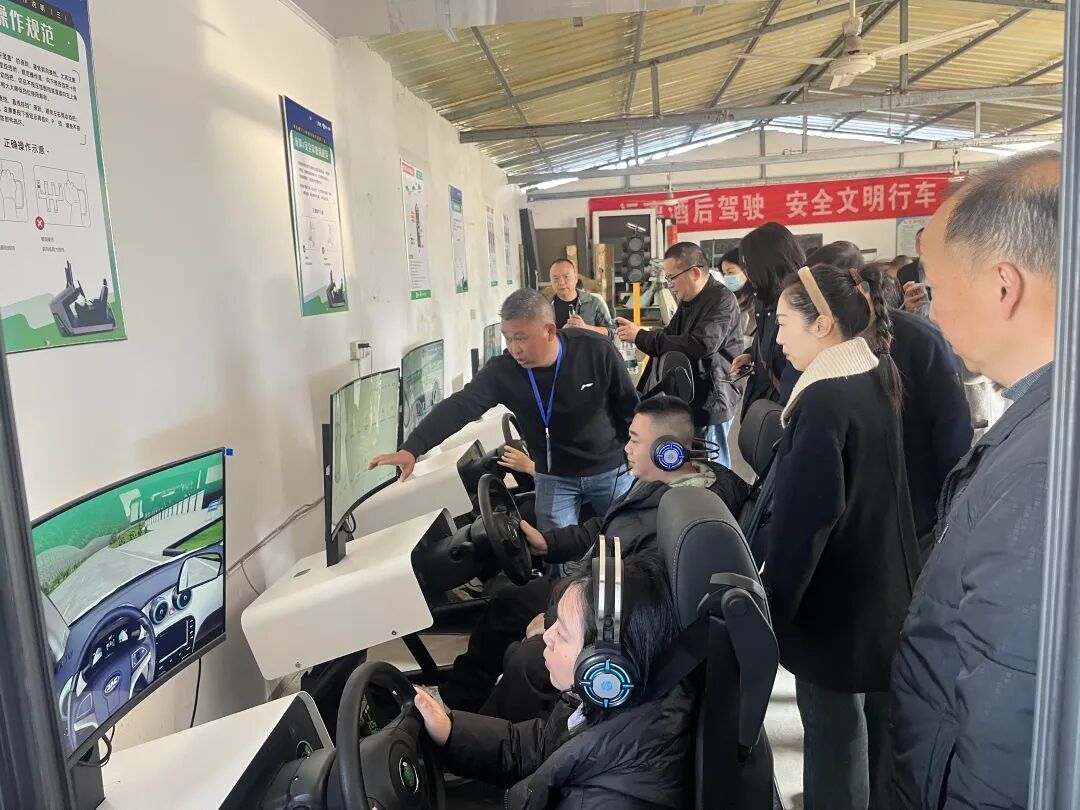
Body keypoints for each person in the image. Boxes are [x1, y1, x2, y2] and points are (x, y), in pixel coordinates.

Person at [888, 151, 1058, 809]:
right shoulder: (1039, 424)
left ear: (1002, 285)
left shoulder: (1041, 475)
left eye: (934, 286)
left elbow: (1010, 734)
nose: (931, 310)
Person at [438, 395, 749, 713]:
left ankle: (477, 735)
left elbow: (640, 599)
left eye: (635, 440)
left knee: (527, 661)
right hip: (595, 584)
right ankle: (459, 701)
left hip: (610, 615)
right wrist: (548, 543)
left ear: (666, 451)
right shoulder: (661, 481)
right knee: (507, 603)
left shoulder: (678, 516)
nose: (627, 448)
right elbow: (604, 527)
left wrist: (554, 621)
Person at [755, 264, 921, 810]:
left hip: (836, 599)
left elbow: (807, 521)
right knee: (870, 722)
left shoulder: (823, 400)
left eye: (784, 323)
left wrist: (774, 605)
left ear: (822, 324)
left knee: (833, 734)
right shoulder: (872, 372)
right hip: (881, 583)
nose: (778, 338)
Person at [415, 554, 693, 809]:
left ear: (601, 669)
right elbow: (542, 748)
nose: (547, 636)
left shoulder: (604, 800)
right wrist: (451, 731)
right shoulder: (610, 704)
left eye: (562, 633)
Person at [370, 289, 637, 530]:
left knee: (628, 539)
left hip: (610, 469)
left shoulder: (595, 350)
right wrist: (412, 448)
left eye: (521, 338)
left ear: (549, 331)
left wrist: (636, 458)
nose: (513, 348)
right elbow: (460, 406)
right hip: (554, 477)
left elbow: (629, 407)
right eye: (507, 338)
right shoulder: (504, 370)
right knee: (554, 553)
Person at [808, 241, 973, 540]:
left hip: (914, 505)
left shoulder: (921, 339)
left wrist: (947, 508)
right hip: (852, 510)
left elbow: (952, 430)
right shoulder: (822, 338)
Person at [615, 242, 744, 468]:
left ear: (694, 273)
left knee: (713, 468)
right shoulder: (688, 302)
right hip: (692, 397)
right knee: (695, 466)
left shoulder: (721, 299)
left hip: (712, 399)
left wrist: (642, 336)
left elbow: (701, 345)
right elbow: (669, 337)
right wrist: (641, 336)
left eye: (672, 278)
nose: (670, 285)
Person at [729, 222, 805, 417]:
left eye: (749, 265)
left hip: (781, 411)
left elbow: (796, 374)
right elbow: (765, 337)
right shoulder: (764, 298)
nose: (748, 273)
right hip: (761, 402)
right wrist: (751, 354)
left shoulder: (799, 306)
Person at [547, 258, 615, 337]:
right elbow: (539, 336)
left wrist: (585, 327)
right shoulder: (545, 306)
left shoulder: (593, 303)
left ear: (576, 278)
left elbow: (611, 332)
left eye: (566, 277)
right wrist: (562, 333)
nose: (561, 283)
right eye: (556, 279)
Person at [720, 247, 756, 347]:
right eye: (724, 273)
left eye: (730, 272)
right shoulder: (731, 297)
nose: (727, 277)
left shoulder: (758, 300)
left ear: (746, 270)